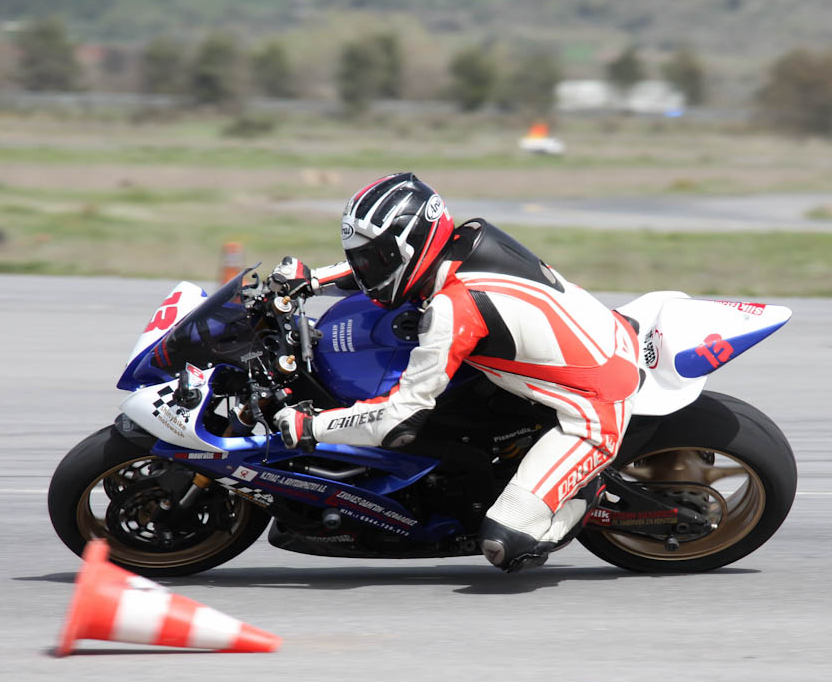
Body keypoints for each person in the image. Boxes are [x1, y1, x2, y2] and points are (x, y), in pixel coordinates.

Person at [272, 173, 641, 572]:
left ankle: (585, 496)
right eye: (361, 258)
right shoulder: (467, 239)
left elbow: (398, 421)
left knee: (503, 543)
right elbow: (391, 273)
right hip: (603, 337)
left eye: (374, 259)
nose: (365, 270)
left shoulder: (452, 310)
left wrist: (312, 427)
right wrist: (313, 280)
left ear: (410, 246)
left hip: (594, 408)